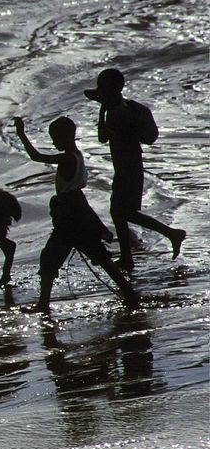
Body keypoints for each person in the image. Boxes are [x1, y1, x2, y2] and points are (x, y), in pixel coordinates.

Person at [14, 115, 139, 313]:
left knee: (49, 259)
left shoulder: (66, 158)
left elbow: (37, 157)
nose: (53, 142)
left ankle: (43, 304)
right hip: (78, 215)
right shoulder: (77, 156)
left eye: (54, 137)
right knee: (101, 258)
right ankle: (129, 294)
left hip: (69, 218)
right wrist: (100, 228)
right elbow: (83, 203)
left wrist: (21, 134)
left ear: (64, 136)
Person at [85, 68, 185, 270]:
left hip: (126, 169)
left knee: (123, 212)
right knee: (122, 213)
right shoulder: (126, 107)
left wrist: (102, 110)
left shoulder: (115, 113)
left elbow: (102, 138)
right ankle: (129, 256)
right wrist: (104, 101)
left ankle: (171, 234)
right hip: (131, 167)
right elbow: (91, 94)